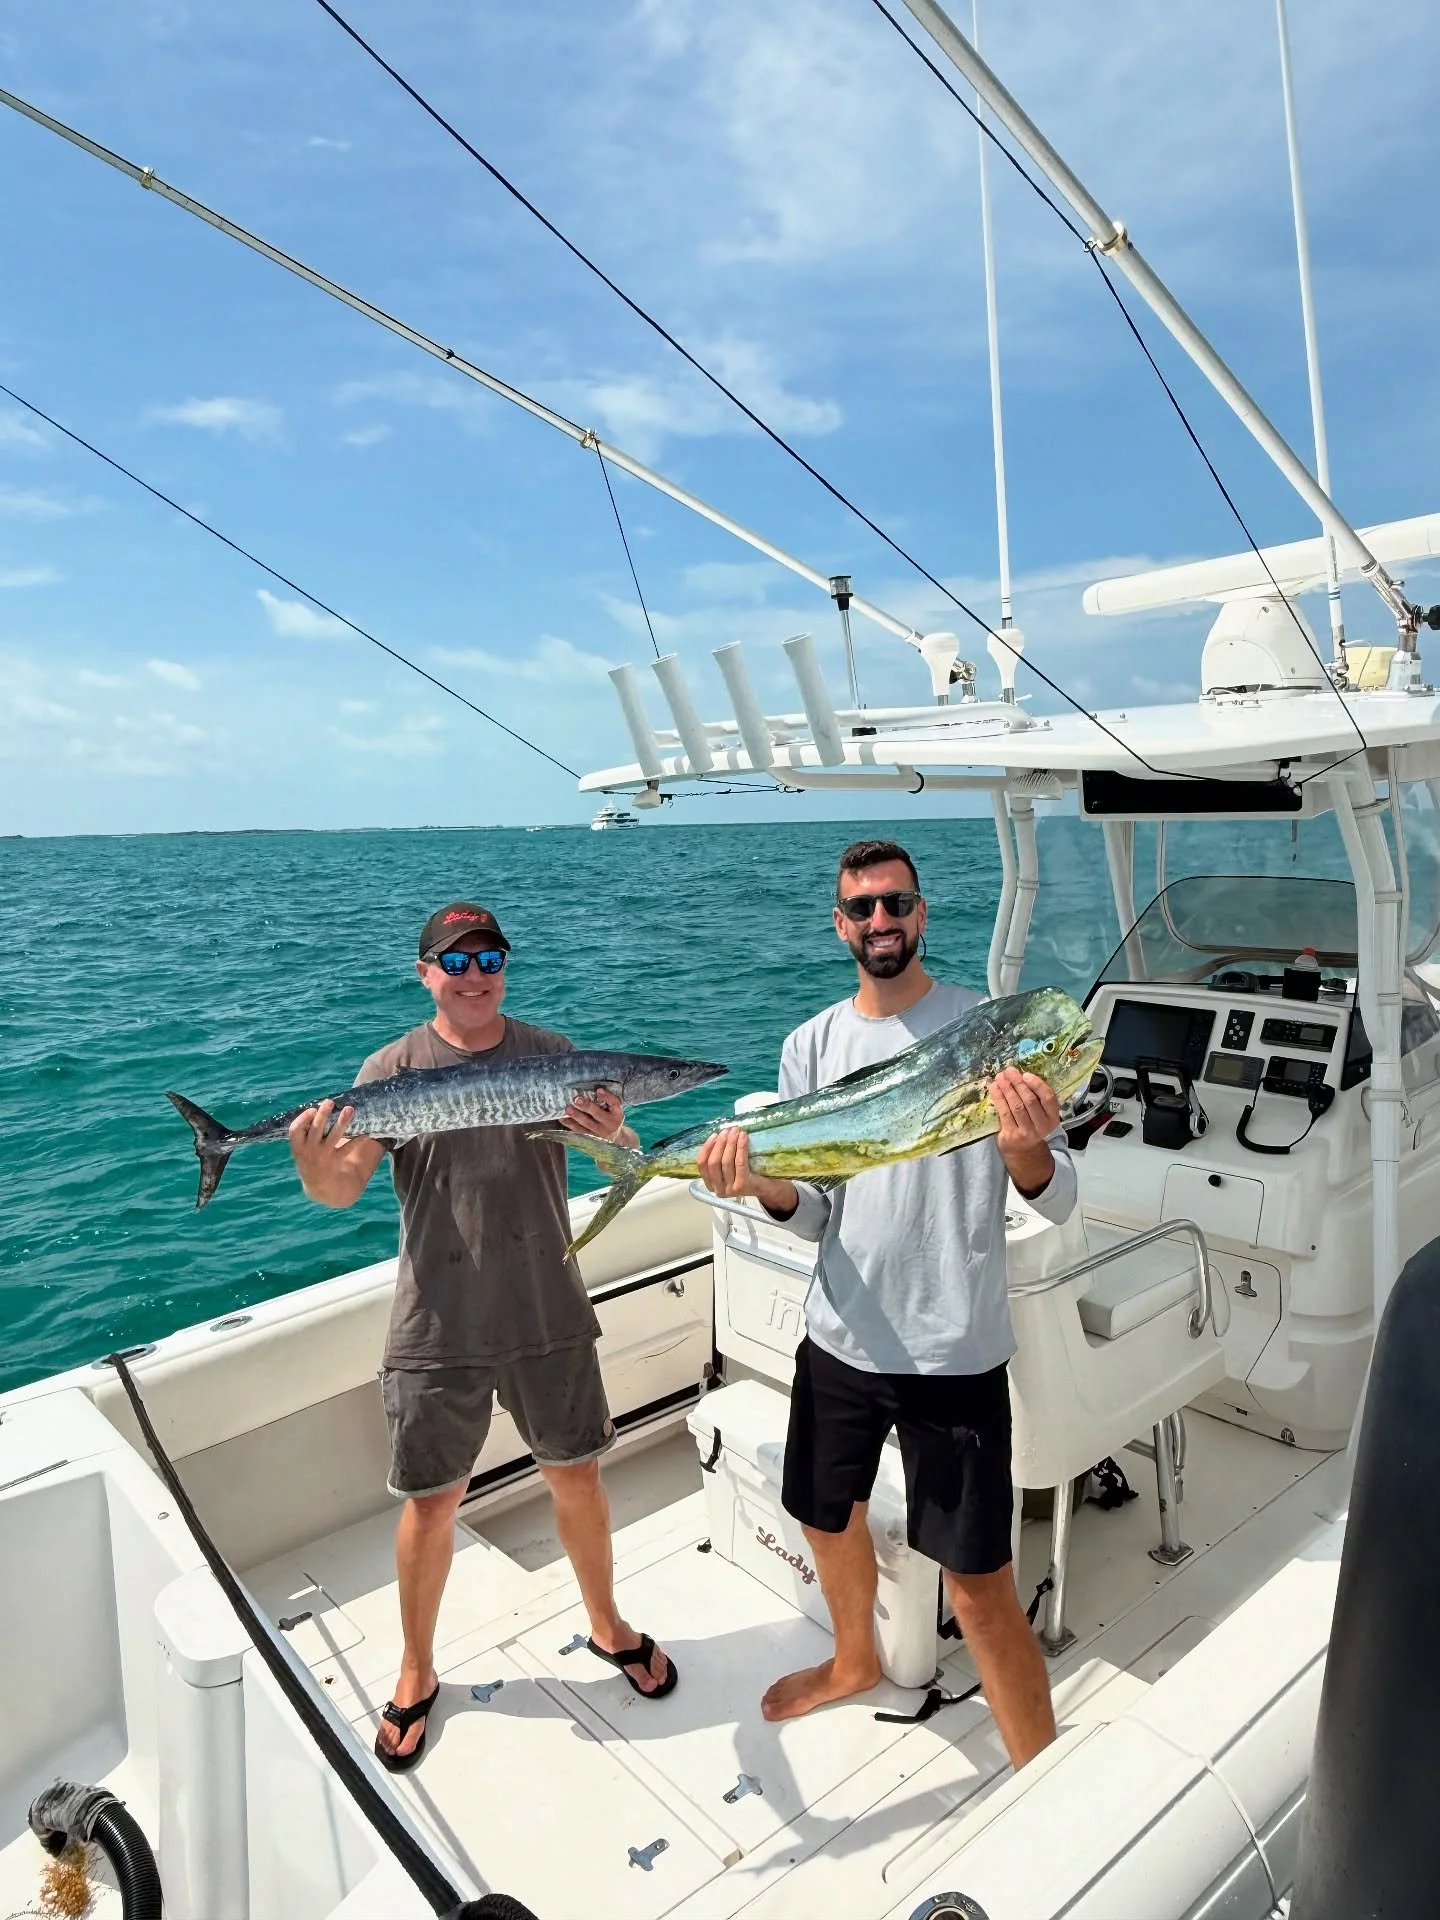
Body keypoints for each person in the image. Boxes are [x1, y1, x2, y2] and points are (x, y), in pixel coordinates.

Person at [697, 839, 1071, 1766]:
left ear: (922, 914)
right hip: (842, 1341)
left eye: (895, 904)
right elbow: (818, 1210)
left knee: (980, 1585)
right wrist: (766, 1189)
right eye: (861, 909)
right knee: (826, 1518)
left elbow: (1057, 1196)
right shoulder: (810, 1046)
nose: (880, 922)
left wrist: (1027, 1146)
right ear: (840, 924)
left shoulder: (989, 1029)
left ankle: (1043, 1767)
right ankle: (855, 1659)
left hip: (955, 1354)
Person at [288, 901, 676, 1773]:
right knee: (432, 1504)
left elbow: (625, 1160)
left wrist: (615, 1133)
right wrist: (314, 1165)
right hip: (437, 1321)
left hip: (547, 1306)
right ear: (424, 973)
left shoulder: (555, 1057)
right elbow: (342, 1188)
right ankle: (418, 1668)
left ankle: (608, 1625)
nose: (474, 975)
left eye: (488, 957)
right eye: (453, 963)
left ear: (506, 966)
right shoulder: (389, 1068)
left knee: (576, 1475)